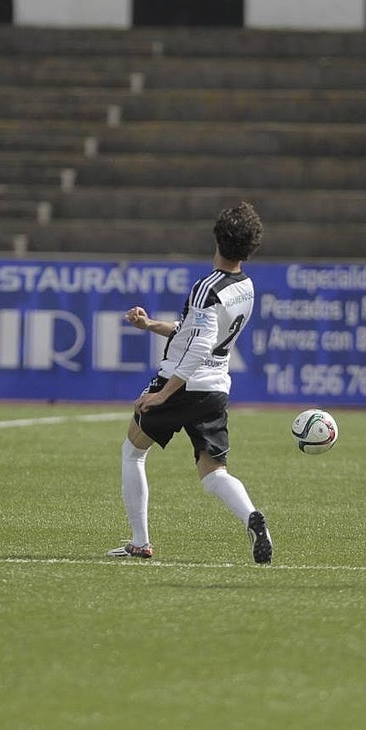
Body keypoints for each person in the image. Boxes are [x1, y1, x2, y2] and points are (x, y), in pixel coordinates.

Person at [107, 201, 272, 564]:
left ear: (217, 238)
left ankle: (140, 542)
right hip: (215, 388)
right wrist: (150, 325)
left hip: (182, 383)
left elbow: (197, 346)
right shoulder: (246, 287)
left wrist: (163, 394)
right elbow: (195, 333)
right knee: (213, 474)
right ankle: (251, 516)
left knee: (132, 451)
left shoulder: (206, 287)